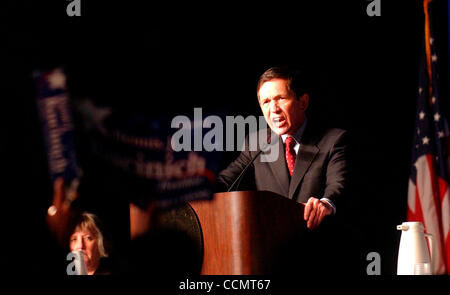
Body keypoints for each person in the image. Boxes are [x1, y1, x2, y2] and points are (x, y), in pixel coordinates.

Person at [217, 66, 349, 230]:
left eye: (280, 99)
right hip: (273, 246)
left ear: (303, 102)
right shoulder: (256, 144)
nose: (273, 109)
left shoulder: (334, 140)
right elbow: (224, 182)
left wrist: (325, 204)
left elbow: (338, 186)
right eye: (266, 102)